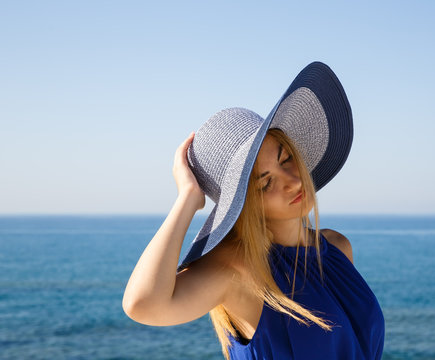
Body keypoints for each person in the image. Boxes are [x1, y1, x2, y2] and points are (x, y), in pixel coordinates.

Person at [123, 62, 385, 359]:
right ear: (242, 205)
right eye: (265, 183)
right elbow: (142, 305)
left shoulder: (337, 248)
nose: (292, 181)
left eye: (286, 159)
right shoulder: (237, 272)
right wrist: (187, 199)